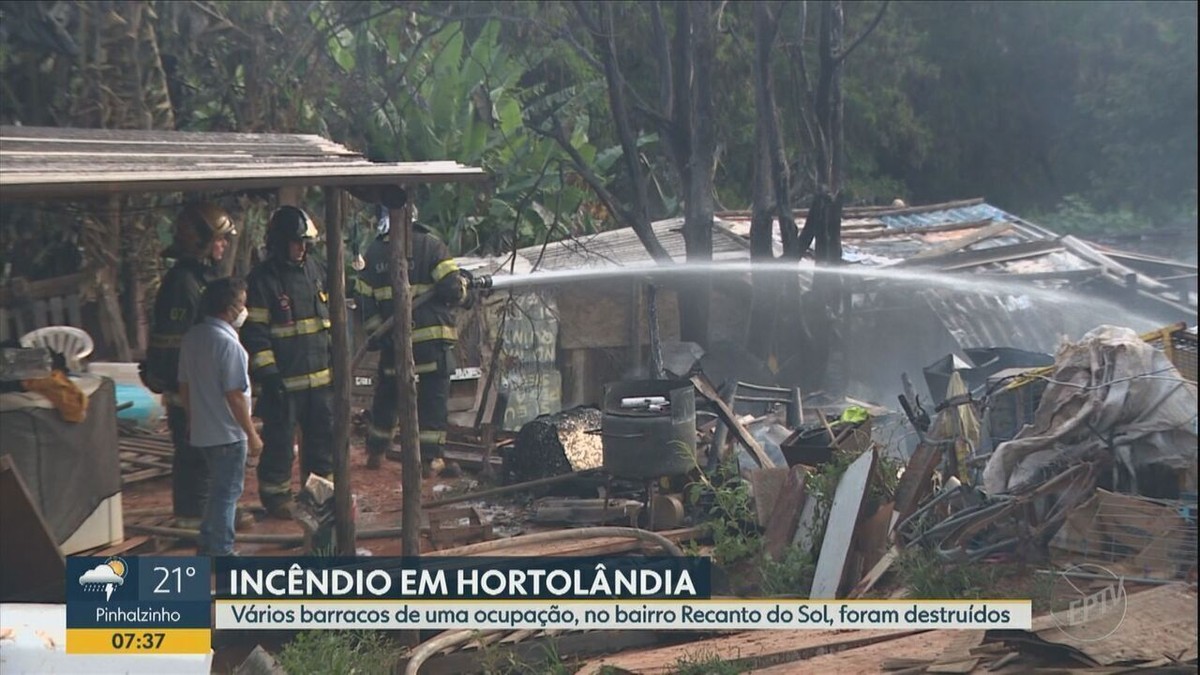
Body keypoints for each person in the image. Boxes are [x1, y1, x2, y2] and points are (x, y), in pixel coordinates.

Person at [140, 203, 251, 531]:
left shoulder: (200, 278)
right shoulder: (183, 284)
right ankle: (193, 520)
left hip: (198, 387)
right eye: (219, 239)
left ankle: (209, 514)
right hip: (184, 389)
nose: (224, 245)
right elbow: (179, 344)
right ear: (200, 241)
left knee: (206, 454)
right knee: (192, 456)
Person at [356, 189, 473, 476]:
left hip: (394, 345)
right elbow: (451, 289)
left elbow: (363, 304)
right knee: (432, 401)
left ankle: (376, 451)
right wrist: (467, 287)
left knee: (387, 399)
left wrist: (380, 336)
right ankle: (430, 460)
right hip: (432, 344)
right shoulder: (432, 246)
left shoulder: (372, 255)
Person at [241, 205, 335, 518]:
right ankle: (277, 500)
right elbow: (255, 334)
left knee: (322, 444)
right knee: (279, 445)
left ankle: (318, 497)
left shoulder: (316, 271)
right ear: (280, 242)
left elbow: (330, 324)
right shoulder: (262, 279)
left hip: (320, 382)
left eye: (305, 243)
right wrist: (268, 375)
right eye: (296, 242)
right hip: (283, 383)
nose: (302, 248)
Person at [177, 277, 263, 556]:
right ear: (228, 308)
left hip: (204, 431)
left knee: (216, 491)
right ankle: (222, 551)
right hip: (228, 433)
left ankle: (207, 542)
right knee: (227, 495)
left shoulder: (193, 338)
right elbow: (235, 395)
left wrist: (192, 419)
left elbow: (185, 386)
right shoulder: (229, 346)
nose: (244, 309)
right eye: (241, 303)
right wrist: (252, 434)